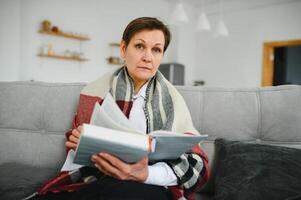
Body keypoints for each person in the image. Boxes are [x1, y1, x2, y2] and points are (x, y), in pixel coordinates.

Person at [33, 17, 209, 200]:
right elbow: (78, 155)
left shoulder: (174, 102)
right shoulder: (94, 93)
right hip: (99, 179)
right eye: (140, 46)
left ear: (161, 56)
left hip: (149, 186)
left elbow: (198, 164)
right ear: (124, 49)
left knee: (124, 192)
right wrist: (82, 141)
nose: (147, 57)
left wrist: (145, 174)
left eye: (156, 49)